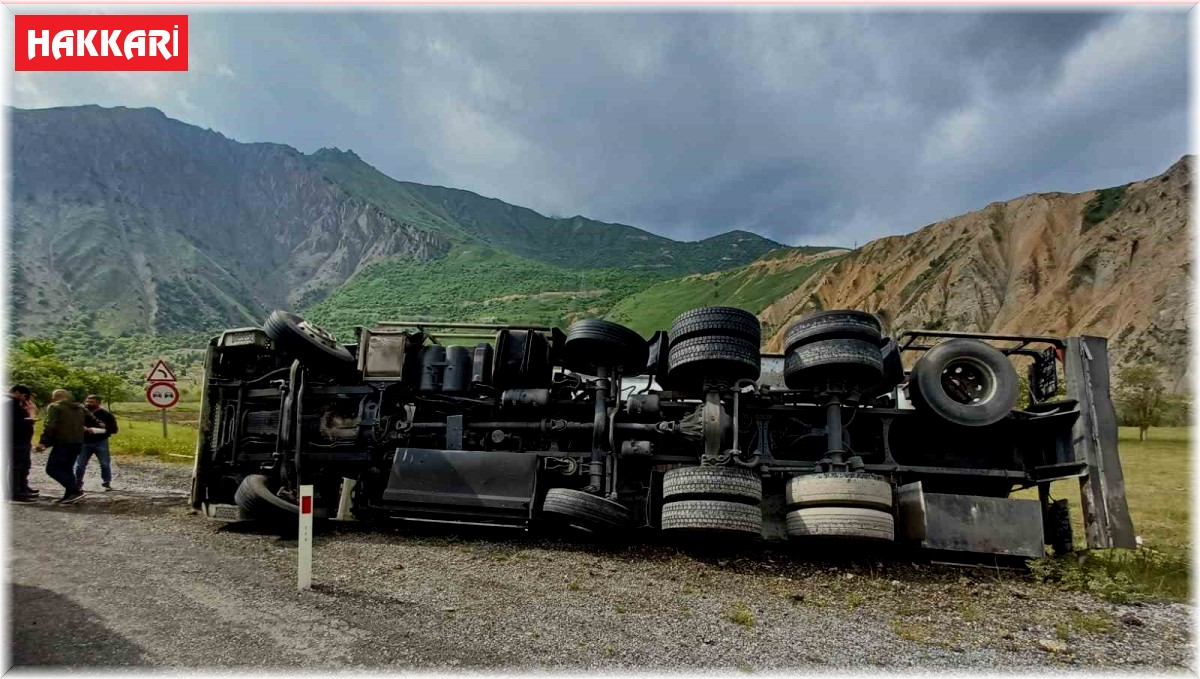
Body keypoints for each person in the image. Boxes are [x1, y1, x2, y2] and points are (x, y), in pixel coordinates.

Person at [36, 389, 87, 504]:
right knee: (67, 469)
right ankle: (69, 496)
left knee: (52, 469)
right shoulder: (79, 408)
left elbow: (50, 425)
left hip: (63, 442)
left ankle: (75, 491)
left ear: (56, 396)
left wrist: (43, 442)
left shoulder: (55, 407)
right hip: (77, 442)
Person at [75, 394, 118, 491]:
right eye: (87, 401)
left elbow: (114, 429)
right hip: (84, 441)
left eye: (92, 402)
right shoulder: (80, 413)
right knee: (79, 464)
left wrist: (97, 430)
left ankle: (106, 483)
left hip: (100, 441)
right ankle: (77, 483)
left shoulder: (106, 415)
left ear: (98, 403)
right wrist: (83, 429)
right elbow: (73, 425)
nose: (89, 404)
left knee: (104, 463)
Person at [8, 385, 39, 503]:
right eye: (25, 396)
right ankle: (16, 492)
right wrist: (31, 414)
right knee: (17, 466)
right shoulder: (10, 403)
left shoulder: (15, 404)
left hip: (22, 440)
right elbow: (18, 423)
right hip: (16, 440)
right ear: (17, 392)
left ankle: (23, 488)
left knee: (24, 465)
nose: (26, 399)